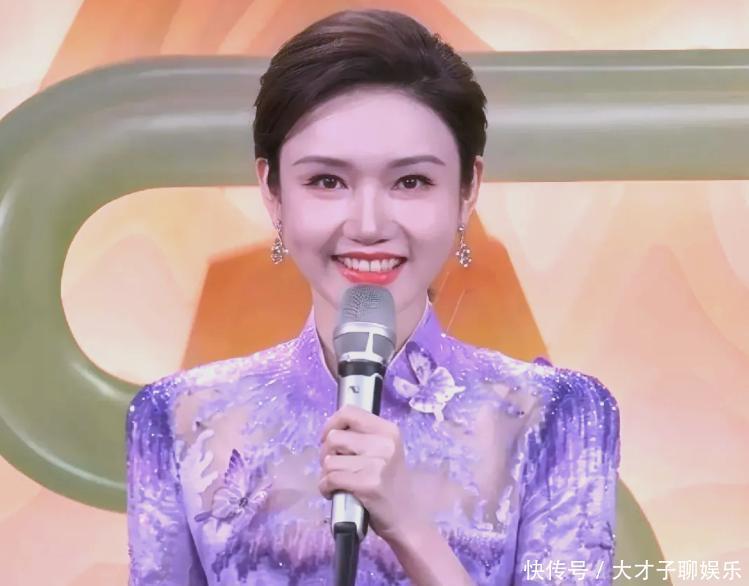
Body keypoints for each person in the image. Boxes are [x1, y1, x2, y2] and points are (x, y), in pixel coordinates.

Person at [126, 8, 620, 586]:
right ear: (273, 191)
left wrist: (410, 527)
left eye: (410, 182)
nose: (367, 225)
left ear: (467, 190)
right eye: (326, 181)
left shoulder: (554, 417)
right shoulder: (181, 419)